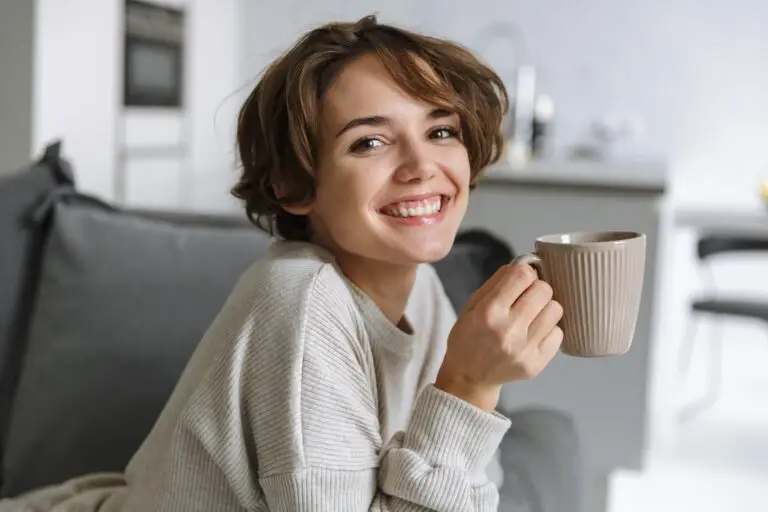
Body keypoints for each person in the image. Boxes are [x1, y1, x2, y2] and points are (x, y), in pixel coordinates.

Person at [0, 14, 563, 512]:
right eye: (369, 142)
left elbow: (467, 492)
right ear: (295, 184)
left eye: (441, 131)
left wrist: (470, 390)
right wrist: (467, 388)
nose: (421, 165)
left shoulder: (427, 296)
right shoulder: (302, 301)